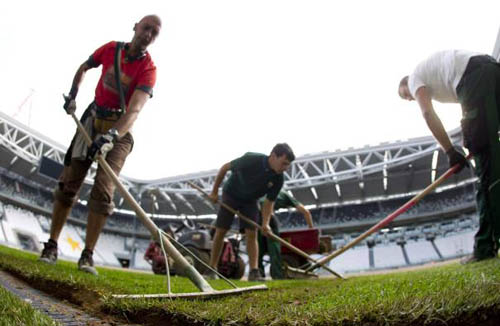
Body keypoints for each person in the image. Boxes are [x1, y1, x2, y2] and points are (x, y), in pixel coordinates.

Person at [39, 15, 162, 275]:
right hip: (92, 121)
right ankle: (51, 245)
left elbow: (135, 109)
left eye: (155, 32)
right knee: (68, 182)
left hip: (119, 130)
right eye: (146, 28)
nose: (149, 34)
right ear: (135, 27)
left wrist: (111, 137)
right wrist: (73, 93)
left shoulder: (149, 69)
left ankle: (87, 255)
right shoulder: (110, 49)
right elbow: (84, 67)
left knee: (104, 192)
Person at [398, 50, 500, 263]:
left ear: (408, 84)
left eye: (406, 94)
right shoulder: (436, 73)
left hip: (473, 76)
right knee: (492, 151)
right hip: (490, 68)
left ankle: (485, 245)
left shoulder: (416, 77)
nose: (409, 99)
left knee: (485, 164)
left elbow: (427, 113)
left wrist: (450, 151)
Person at [206, 143, 295, 281]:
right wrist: (214, 192)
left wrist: (265, 224)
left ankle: (254, 272)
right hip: (231, 194)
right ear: (273, 156)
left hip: (250, 200)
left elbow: (269, 202)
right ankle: (212, 269)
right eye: (284, 163)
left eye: (288, 165)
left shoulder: (278, 178)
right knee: (221, 230)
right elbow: (224, 168)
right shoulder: (251, 159)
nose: (286, 168)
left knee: (252, 233)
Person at [257, 191, 313, 279]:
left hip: (256, 218)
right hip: (268, 217)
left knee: (258, 249)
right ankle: (277, 275)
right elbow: (306, 212)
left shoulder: (263, 190)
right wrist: (311, 230)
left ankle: (258, 274)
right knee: (274, 248)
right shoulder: (284, 194)